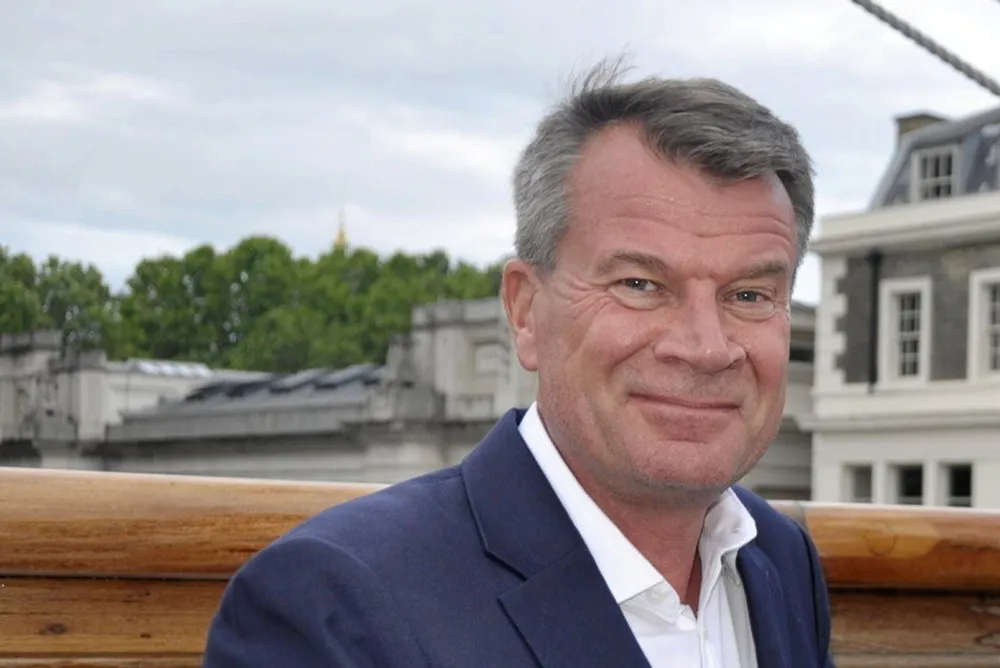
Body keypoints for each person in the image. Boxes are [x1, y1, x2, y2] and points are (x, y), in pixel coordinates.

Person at [202, 58, 834, 668]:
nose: (705, 348)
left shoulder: (781, 563)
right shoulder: (335, 603)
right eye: (640, 285)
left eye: (749, 295)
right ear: (526, 310)